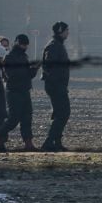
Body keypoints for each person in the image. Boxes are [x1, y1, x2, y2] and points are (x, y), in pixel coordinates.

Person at [0, 34, 37, 152]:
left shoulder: (24, 57)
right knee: (13, 119)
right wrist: (28, 71)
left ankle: (28, 143)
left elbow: (29, 75)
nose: (24, 47)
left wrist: (34, 69)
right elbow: (12, 75)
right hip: (14, 92)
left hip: (24, 90)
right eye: (22, 44)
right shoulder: (9, 57)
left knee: (27, 117)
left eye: (25, 45)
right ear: (17, 43)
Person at [40, 21, 71, 152]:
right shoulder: (54, 46)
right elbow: (49, 66)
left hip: (58, 85)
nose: (68, 33)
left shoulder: (57, 45)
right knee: (63, 113)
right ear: (60, 31)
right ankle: (48, 141)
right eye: (66, 30)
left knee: (60, 113)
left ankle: (56, 142)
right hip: (56, 86)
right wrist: (58, 82)